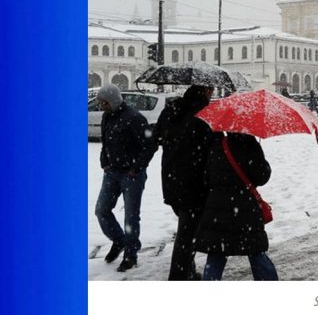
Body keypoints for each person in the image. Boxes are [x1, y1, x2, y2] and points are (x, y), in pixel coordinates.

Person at [195, 132, 278, 281]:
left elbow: (206, 177)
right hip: (245, 211)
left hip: (217, 211)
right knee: (256, 252)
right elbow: (262, 176)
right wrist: (262, 162)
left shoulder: (216, 144)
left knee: (215, 256)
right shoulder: (250, 144)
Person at [94, 84, 157, 272]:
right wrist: (104, 160)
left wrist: (136, 168)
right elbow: (105, 142)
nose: (101, 106)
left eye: (103, 103)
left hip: (132, 175)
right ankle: (119, 240)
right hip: (112, 172)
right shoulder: (107, 116)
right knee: (102, 210)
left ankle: (131, 254)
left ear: (112, 101)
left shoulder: (135, 118)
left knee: (131, 217)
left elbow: (150, 146)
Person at [154, 85, 214, 280]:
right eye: (210, 91)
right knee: (187, 236)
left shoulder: (171, 110)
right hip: (194, 185)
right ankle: (178, 277)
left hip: (172, 182)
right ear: (204, 93)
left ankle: (187, 270)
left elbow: (157, 138)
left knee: (187, 230)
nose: (212, 94)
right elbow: (211, 150)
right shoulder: (204, 116)